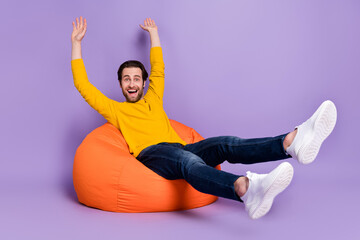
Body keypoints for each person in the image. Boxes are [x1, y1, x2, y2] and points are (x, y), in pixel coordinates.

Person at [71, 17, 337, 219]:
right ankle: (245, 188)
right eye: (126, 79)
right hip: (152, 155)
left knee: (223, 143)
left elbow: (159, 69)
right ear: (120, 85)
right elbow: (84, 86)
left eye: (136, 79)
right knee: (188, 161)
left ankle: (290, 142)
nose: (131, 83)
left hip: (180, 147)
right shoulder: (116, 110)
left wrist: (153, 33)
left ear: (143, 83)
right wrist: (76, 44)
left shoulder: (153, 98)